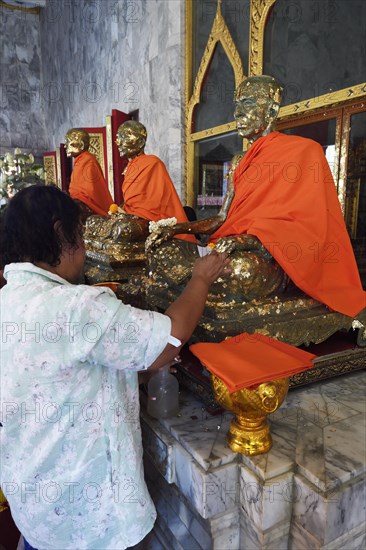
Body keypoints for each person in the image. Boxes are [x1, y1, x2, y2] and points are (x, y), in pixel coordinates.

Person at [0, 185, 230, 550]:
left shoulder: (7, 300)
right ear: (62, 234)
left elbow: (55, 371)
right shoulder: (77, 307)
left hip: (34, 505)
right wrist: (200, 278)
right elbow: (169, 341)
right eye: (83, 236)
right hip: (88, 519)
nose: (88, 250)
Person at [149, 75, 366, 318]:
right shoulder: (239, 162)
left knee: (240, 269)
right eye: (237, 105)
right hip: (230, 246)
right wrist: (177, 228)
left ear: (272, 111)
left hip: (276, 256)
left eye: (249, 104)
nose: (238, 113)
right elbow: (221, 219)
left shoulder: (305, 152)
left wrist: (247, 241)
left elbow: (309, 229)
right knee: (163, 251)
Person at [115, 120, 196, 242]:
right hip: (132, 216)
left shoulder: (153, 163)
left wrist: (131, 215)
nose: (118, 142)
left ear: (141, 142)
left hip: (149, 219)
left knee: (123, 228)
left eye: (124, 137)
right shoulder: (131, 167)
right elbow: (131, 201)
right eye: (118, 138)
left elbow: (154, 205)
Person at [66, 128, 113, 218]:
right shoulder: (79, 161)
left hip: (89, 207)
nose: (65, 146)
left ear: (80, 144)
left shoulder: (87, 160)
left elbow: (89, 191)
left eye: (68, 142)